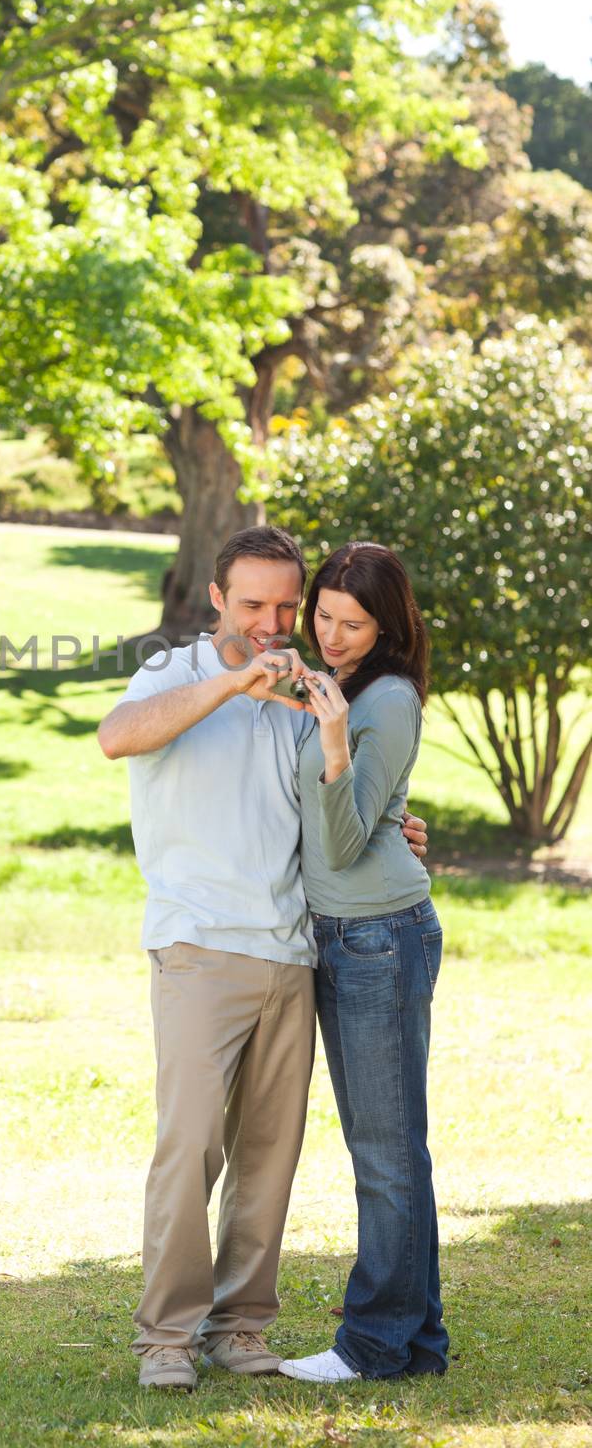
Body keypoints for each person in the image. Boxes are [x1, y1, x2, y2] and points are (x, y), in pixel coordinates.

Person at [97, 527, 427, 1391]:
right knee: (191, 1146)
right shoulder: (173, 673)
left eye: (288, 606)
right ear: (216, 600)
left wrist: (398, 825)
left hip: (294, 950)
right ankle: (166, 1336)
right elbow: (117, 736)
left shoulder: (310, 689)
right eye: (253, 606)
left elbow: (337, 804)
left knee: (269, 1155)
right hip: (200, 947)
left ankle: (240, 1326)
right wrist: (230, 681)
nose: (275, 623)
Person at [275, 542, 448, 1383]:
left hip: (376, 934)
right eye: (324, 616)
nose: (332, 634)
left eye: (353, 622)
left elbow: (343, 846)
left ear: (387, 626)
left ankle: (372, 1344)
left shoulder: (380, 701)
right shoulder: (333, 688)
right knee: (388, 1151)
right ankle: (418, 1342)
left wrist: (337, 745)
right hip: (344, 936)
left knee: (385, 1154)